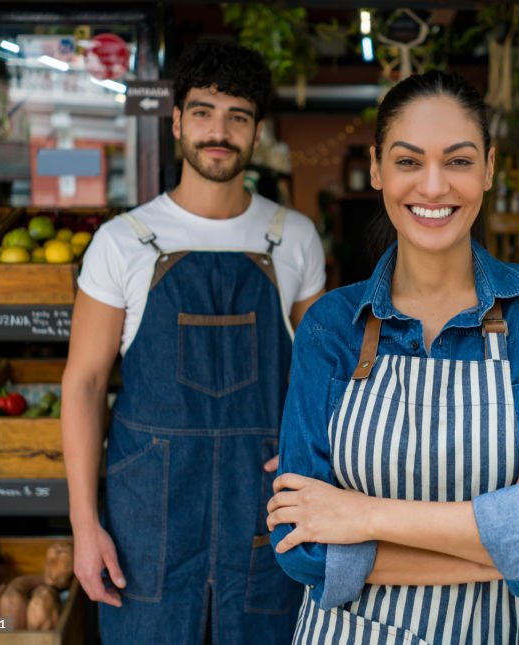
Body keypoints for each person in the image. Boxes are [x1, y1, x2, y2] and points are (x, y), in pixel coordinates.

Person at [264, 70, 519, 644]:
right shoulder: (330, 325)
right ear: (376, 168)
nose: (433, 186)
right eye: (407, 161)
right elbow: (302, 549)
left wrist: (364, 516)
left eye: (457, 161)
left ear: (489, 169)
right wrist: (508, 552)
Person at [61, 40, 325, 643]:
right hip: (148, 514)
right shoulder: (122, 242)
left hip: (260, 505)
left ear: (257, 131)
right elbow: (83, 385)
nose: (219, 131)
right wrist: (83, 524)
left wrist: (313, 451)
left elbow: (319, 376)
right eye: (203, 112)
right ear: (177, 121)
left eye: (238, 116)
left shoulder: (295, 238)